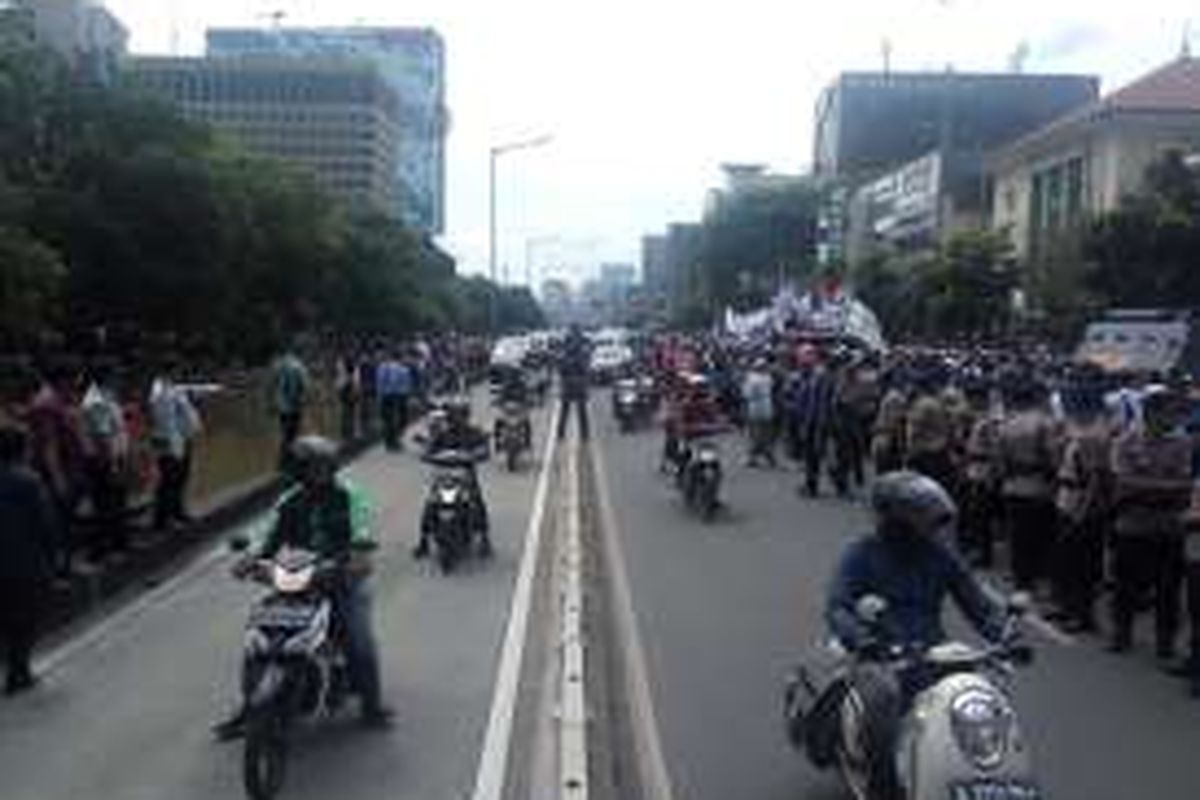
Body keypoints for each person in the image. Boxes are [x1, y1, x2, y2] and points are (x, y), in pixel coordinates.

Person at [823, 471, 1006, 797]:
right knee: (885, 704)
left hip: (935, 652)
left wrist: (1002, 635)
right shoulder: (861, 553)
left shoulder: (940, 554)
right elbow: (838, 606)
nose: (930, 522)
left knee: (980, 701)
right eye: (920, 514)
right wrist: (860, 638)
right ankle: (883, 785)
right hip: (880, 651)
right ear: (894, 517)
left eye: (930, 514)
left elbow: (975, 604)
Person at [215, 436, 393, 738]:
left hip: (340, 579)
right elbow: (266, 538)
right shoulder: (289, 501)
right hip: (297, 579)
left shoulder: (350, 496)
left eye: (325, 467)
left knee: (359, 642)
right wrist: (250, 561)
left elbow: (362, 530)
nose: (320, 473)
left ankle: (372, 706)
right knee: (258, 639)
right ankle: (248, 708)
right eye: (313, 468)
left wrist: (359, 558)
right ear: (298, 470)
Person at [1108, 387, 1191, 659]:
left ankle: (1164, 643)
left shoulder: (1183, 443)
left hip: (1169, 527)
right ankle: (1121, 634)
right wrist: (1163, 487)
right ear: (1151, 414)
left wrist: (1145, 485)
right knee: (1125, 586)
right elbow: (1122, 482)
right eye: (1168, 412)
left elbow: (1185, 486)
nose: (1173, 418)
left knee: (1167, 591)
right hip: (1132, 524)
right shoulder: (1126, 441)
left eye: (1174, 413)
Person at [0, 424, 58, 695]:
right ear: (22, 450)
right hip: (23, 561)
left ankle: (17, 669)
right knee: (25, 617)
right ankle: (18, 670)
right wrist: (53, 555)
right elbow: (45, 523)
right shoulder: (29, 480)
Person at [1053, 385, 1113, 633]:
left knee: (1082, 564)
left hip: (1080, 506)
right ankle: (1068, 608)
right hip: (1067, 499)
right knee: (1068, 560)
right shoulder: (1079, 431)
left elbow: (1095, 480)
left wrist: (1083, 511)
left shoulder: (1093, 436)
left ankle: (1081, 614)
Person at [996, 378, 1062, 592]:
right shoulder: (1044, 423)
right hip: (1039, 487)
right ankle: (1040, 576)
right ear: (1036, 398)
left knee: (1017, 536)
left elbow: (1000, 460)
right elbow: (1053, 459)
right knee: (1041, 535)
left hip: (1013, 486)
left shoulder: (1007, 423)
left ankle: (1021, 579)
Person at [26, 359, 85, 576]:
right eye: (74, 378)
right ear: (63, 379)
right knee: (59, 523)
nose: (77, 383)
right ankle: (58, 569)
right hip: (57, 473)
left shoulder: (59, 400)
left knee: (67, 520)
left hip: (69, 469)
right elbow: (49, 446)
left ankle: (65, 565)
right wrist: (59, 479)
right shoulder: (46, 404)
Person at [414, 398, 493, 559]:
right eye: (454, 415)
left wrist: (479, 453)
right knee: (430, 503)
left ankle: (485, 539)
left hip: (465, 476)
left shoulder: (474, 432)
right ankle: (423, 541)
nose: (457, 419)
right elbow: (429, 448)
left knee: (477, 501)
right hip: (443, 476)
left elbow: (484, 448)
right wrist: (426, 453)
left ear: (466, 415)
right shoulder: (442, 434)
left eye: (460, 415)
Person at [79, 362, 131, 563]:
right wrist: (113, 465)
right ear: (106, 376)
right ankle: (101, 552)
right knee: (106, 506)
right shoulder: (96, 402)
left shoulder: (108, 396)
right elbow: (102, 438)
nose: (119, 379)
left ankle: (117, 545)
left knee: (116, 503)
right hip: (104, 460)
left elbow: (116, 428)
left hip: (114, 457)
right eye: (115, 375)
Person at [148, 360, 202, 532]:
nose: (180, 374)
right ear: (169, 371)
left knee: (180, 479)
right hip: (171, 442)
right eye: (178, 371)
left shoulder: (174, 388)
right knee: (168, 481)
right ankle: (163, 519)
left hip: (182, 439)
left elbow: (184, 412)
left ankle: (178, 512)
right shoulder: (159, 391)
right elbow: (163, 421)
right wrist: (171, 445)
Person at [786, 348, 835, 497]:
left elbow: (818, 403)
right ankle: (810, 484)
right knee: (811, 455)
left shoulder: (820, 376)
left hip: (816, 422)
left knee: (816, 454)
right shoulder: (807, 376)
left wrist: (816, 423)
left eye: (803, 359)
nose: (801, 363)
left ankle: (816, 485)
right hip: (810, 420)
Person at [269, 345, 311, 472]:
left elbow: (271, 386)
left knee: (284, 433)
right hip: (294, 406)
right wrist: (306, 403)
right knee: (293, 434)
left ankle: (282, 463)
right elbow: (306, 387)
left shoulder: (277, 365)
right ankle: (289, 462)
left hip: (282, 406)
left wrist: (271, 405)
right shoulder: (299, 366)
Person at [556, 325, 592, 440]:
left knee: (576, 411)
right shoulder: (575, 351)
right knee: (573, 411)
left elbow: (585, 368)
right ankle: (580, 433)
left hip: (574, 383)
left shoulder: (580, 351)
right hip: (573, 383)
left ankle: (581, 433)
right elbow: (561, 368)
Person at [742, 358, 777, 468]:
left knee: (756, 434)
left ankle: (754, 457)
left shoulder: (752, 378)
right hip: (766, 407)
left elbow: (746, 394)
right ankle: (767, 456)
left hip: (756, 408)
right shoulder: (768, 378)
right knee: (765, 434)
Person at [376, 350, 413, 452]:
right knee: (397, 419)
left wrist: (380, 395)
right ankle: (395, 441)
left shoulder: (382, 367)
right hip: (398, 396)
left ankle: (389, 442)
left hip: (386, 396)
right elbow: (406, 385)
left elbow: (379, 383)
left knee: (387, 419)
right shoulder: (404, 369)